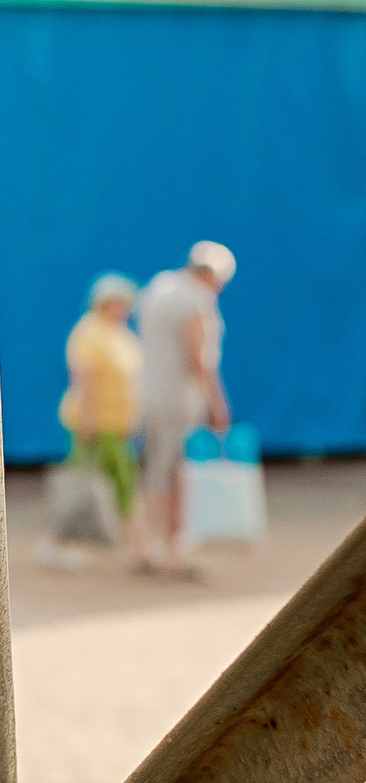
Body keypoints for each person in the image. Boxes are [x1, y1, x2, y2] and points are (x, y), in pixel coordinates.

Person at [136, 240, 235, 579]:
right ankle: (171, 552)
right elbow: (198, 358)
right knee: (175, 474)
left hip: (150, 395)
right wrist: (217, 403)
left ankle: (150, 547)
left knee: (155, 471)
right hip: (179, 400)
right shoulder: (196, 300)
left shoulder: (157, 287)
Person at [55, 273, 141, 550]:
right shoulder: (89, 332)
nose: (126, 308)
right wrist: (88, 422)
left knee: (122, 479)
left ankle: (122, 534)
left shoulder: (121, 334)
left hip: (117, 424)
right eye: (119, 303)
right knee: (87, 479)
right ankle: (64, 538)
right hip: (95, 423)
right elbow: (85, 380)